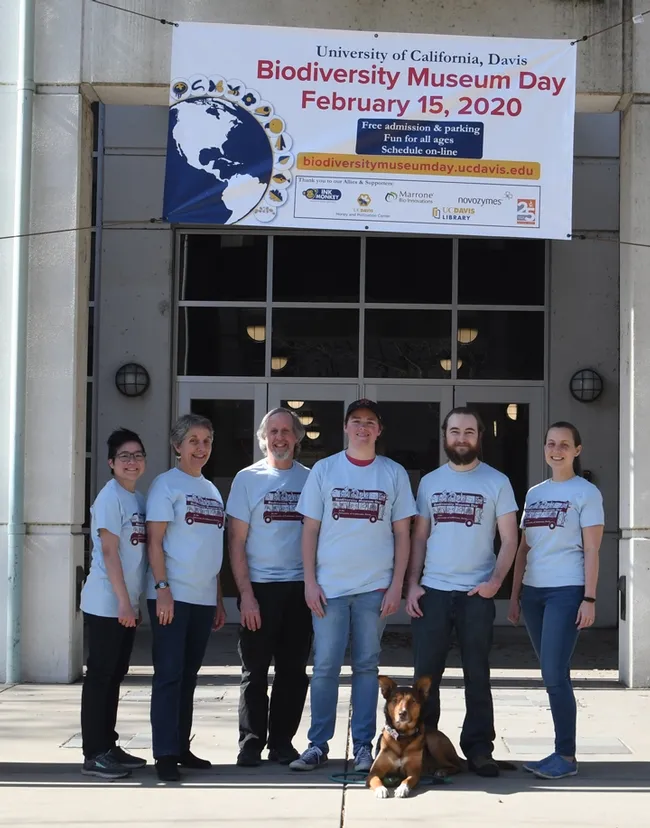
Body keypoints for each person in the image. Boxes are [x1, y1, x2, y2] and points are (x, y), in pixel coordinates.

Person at [290, 399, 416, 772]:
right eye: (356, 421)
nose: (363, 427)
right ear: (346, 428)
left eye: (370, 422)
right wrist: (309, 582)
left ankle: (363, 745)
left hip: (374, 588)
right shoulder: (324, 471)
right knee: (325, 665)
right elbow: (309, 530)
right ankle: (317, 744)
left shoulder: (393, 473)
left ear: (379, 430)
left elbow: (403, 534)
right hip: (329, 588)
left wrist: (397, 586)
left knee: (366, 666)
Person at [406, 407, 519, 778]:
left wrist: (494, 583)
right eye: (455, 431)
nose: (461, 438)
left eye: (469, 432)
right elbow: (419, 537)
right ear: (445, 436)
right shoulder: (430, 483)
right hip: (434, 592)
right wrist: (412, 584)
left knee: (477, 674)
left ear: (479, 437)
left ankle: (479, 749)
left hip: (476, 594)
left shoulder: (497, 481)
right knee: (426, 679)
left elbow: (510, 538)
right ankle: (424, 747)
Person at [508, 422, 604, 780]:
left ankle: (565, 755)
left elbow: (593, 549)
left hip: (567, 591)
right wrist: (515, 596)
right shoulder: (534, 493)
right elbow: (523, 548)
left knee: (553, 673)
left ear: (577, 450)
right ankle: (561, 751)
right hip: (534, 593)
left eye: (565, 444)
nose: (557, 449)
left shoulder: (586, 493)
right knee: (553, 672)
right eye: (551, 443)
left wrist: (590, 598)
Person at [227, 408, 312, 767]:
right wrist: (245, 595)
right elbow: (236, 542)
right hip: (260, 588)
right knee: (255, 671)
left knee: (293, 672)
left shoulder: (312, 478)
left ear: (296, 437)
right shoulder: (247, 479)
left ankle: (281, 743)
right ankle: (250, 742)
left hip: (300, 589)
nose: (279, 438)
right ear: (264, 439)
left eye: (286, 431)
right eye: (272, 432)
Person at [146, 413, 227, 782]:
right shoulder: (166, 485)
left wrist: (219, 598)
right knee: (169, 675)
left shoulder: (211, 490)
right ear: (177, 446)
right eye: (193, 440)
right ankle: (164, 753)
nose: (201, 448)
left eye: (206, 441)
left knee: (189, 676)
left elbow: (212, 548)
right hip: (172, 596)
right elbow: (155, 541)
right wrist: (162, 590)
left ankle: (180, 746)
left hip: (203, 597)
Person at [80, 428, 148, 780]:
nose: (132, 461)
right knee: (101, 677)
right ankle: (94, 753)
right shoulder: (110, 498)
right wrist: (124, 602)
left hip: (123, 603)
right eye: (124, 456)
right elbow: (109, 553)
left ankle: (109, 744)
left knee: (115, 676)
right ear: (110, 463)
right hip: (107, 602)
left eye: (137, 455)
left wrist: (132, 602)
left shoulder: (135, 499)